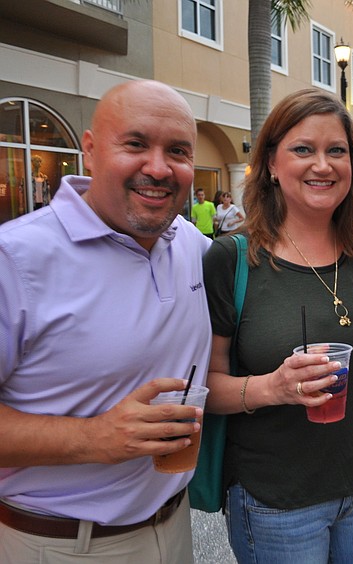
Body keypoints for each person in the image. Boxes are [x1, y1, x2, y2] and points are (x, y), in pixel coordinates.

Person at [0, 80, 212, 563]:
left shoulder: (189, 242)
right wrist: (93, 438)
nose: (158, 168)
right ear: (90, 151)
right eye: (135, 144)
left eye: (177, 151)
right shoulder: (15, 259)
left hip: (174, 527)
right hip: (59, 544)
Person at [203, 88, 353, 563]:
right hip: (275, 501)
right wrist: (273, 387)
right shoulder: (233, 258)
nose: (322, 165)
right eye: (303, 149)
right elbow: (204, 386)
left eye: (337, 151)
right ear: (271, 163)